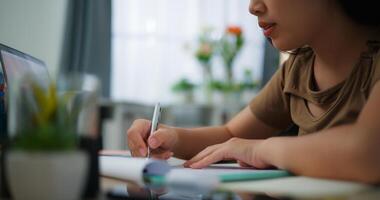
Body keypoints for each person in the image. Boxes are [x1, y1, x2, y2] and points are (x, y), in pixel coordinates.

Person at [127, 0, 380, 183]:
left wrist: (259, 149)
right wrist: (171, 138)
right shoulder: (298, 69)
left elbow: (368, 153)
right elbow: (231, 135)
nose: (252, 6)